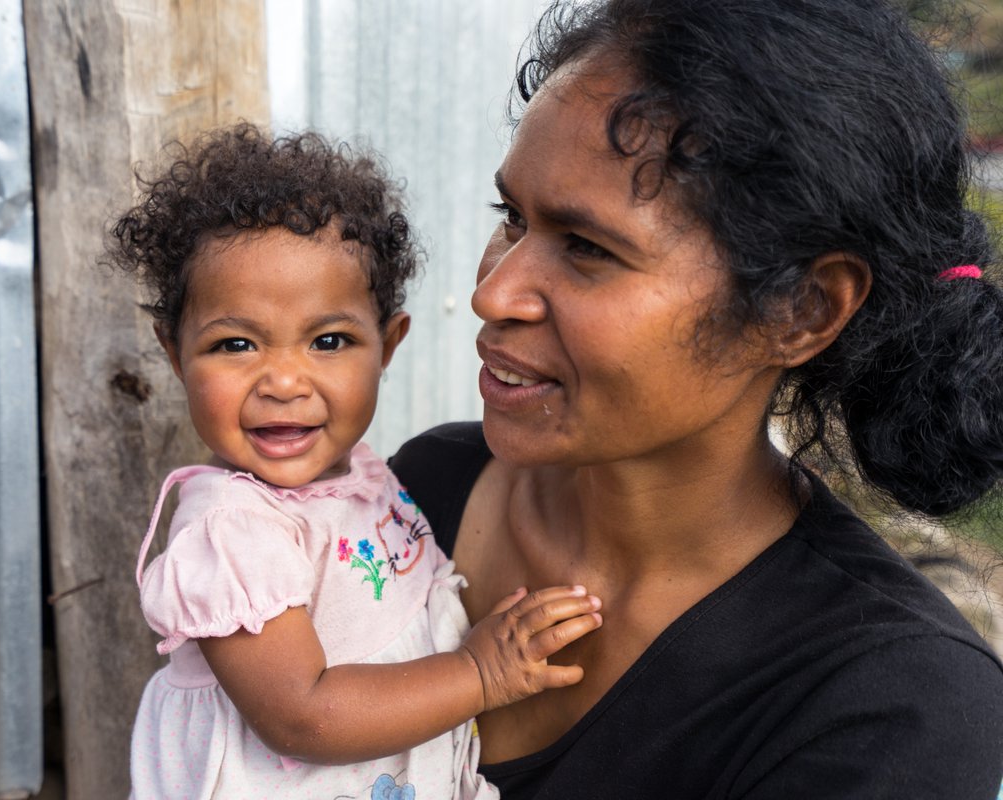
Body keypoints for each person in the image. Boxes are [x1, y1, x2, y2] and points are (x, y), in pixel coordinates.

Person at [389, 0, 1003, 797]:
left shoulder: (889, 705)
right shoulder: (425, 494)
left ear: (802, 311)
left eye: (586, 248)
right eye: (511, 217)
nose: (494, 292)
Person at [108, 123, 604, 800]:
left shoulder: (364, 475)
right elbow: (303, 716)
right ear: (174, 354)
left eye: (330, 340)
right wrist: (481, 673)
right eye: (235, 346)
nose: (284, 381)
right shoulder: (232, 533)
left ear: (389, 345)